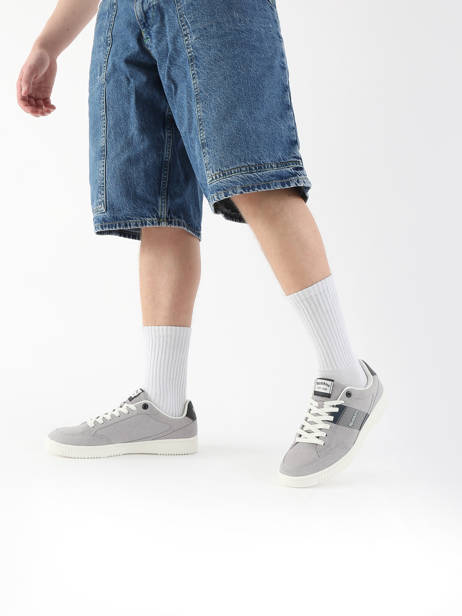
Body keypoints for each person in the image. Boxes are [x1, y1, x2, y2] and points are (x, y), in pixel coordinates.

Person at [17, 0, 384, 487]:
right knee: (156, 208)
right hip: (123, 16)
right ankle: (164, 405)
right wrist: (48, 43)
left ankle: (347, 378)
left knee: (256, 175)